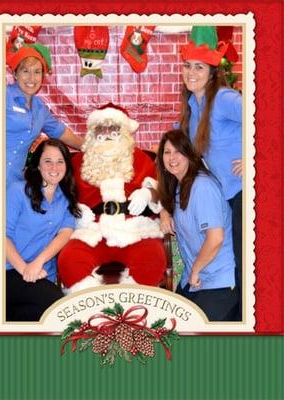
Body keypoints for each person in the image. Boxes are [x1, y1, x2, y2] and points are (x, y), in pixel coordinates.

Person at [161, 26, 242, 318]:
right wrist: (164, 207)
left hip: (244, 193)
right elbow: (173, 153)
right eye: (187, 66)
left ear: (212, 72)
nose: (191, 72)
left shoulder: (224, 99)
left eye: (199, 67)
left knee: (246, 271)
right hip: (224, 193)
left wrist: (254, 156)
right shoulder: (192, 108)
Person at [57, 103, 166, 293]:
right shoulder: (77, 162)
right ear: (92, 133)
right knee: (70, 260)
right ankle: (92, 306)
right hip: (93, 230)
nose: (107, 133)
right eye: (101, 129)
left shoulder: (141, 158)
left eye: (113, 129)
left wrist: (148, 193)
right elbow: (61, 196)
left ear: (124, 132)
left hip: (134, 230)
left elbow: (160, 190)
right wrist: (75, 209)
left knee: (153, 257)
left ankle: (132, 304)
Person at [157, 130, 239, 321]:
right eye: (167, 152)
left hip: (218, 282)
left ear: (190, 154)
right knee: (167, 329)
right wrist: (164, 213)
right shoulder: (179, 185)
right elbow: (159, 195)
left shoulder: (202, 187)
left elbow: (216, 237)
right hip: (193, 280)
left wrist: (195, 269)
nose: (172, 158)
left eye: (178, 152)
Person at [6, 138, 81, 321]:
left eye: (60, 161)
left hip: (42, 273)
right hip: (9, 270)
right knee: (58, 307)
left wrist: (38, 263)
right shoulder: (18, 191)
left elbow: (65, 233)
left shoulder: (66, 197)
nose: (54, 167)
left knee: (33, 317)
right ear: (38, 165)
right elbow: (2, 237)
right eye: (48, 161)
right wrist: (25, 269)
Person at [6, 42, 83, 187]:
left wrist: (95, 146)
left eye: (37, 72)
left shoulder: (40, 109)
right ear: (15, 73)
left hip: (14, 183)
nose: (31, 78)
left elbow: (64, 134)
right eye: (25, 71)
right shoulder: (2, 96)